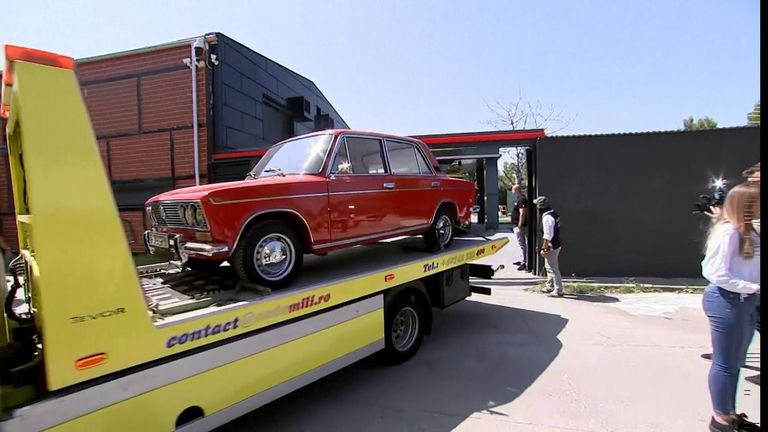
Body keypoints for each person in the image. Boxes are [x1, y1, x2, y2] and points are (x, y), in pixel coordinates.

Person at [701, 182, 761, 432]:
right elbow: (714, 272)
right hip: (726, 301)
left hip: (745, 301)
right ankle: (721, 420)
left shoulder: (751, 231)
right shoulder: (728, 233)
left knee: (736, 361)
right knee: (725, 363)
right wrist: (752, 287)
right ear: (748, 206)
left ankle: (730, 413)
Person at [534, 196, 563, 297]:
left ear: (540, 207)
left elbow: (548, 235)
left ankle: (558, 290)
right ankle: (550, 286)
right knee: (548, 266)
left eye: (537, 206)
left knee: (553, 268)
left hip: (552, 246)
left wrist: (544, 248)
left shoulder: (547, 218)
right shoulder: (553, 213)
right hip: (556, 244)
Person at [510, 185, 529, 271]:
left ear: (516, 190)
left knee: (522, 244)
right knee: (520, 244)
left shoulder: (522, 199)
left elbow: (522, 213)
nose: (512, 191)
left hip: (520, 226)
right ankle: (522, 259)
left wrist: (520, 225)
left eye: (512, 189)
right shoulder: (519, 199)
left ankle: (524, 262)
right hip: (516, 225)